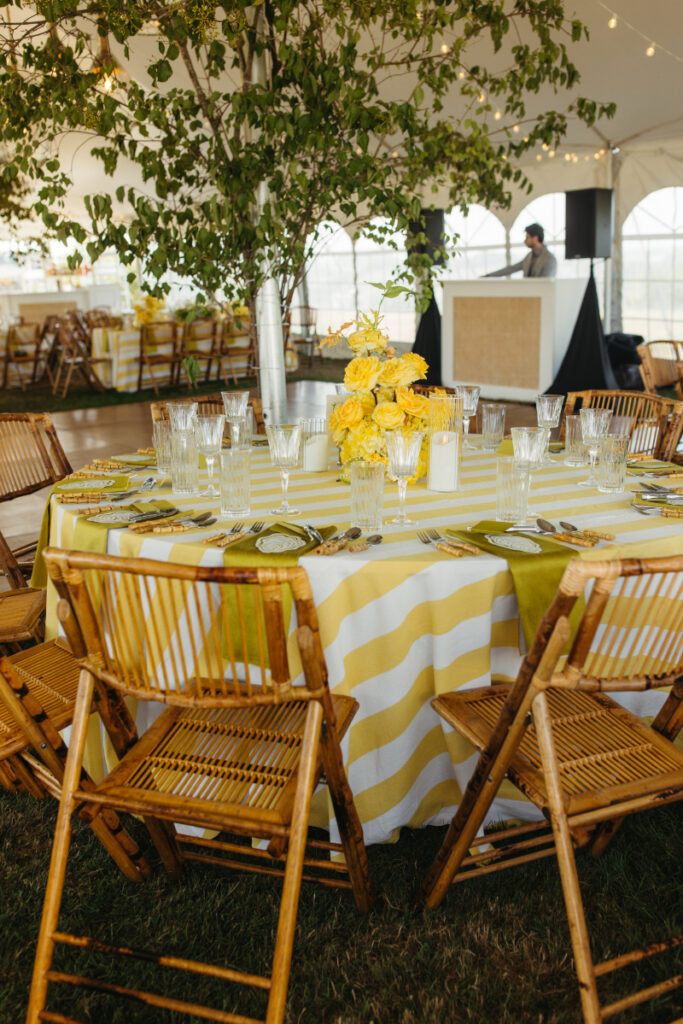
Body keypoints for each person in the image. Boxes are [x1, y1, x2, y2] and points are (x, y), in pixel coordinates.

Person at [484, 223, 557, 278]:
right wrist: (489, 275)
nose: (525, 241)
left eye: (527, 237)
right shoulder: (529, 256)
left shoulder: (549, 259)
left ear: (535, 238)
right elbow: (511, 269)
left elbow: (546, 283)